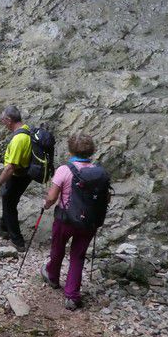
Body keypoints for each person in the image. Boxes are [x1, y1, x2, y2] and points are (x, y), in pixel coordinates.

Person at [41, 133, 110, 311]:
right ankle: (72, 296)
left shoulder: (64, 170)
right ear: (91, 151)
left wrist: (46, 204)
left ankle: (53, 276)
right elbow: (106, 198)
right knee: (77, 256)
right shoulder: (98, 172)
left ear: (71, 149)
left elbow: (52, 197)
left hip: (65, 219)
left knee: (57, 249)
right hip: (88, 222)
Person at [0, 105, 32, 251]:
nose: (2, 123)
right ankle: (4, 226)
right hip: (24, 174)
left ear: (8, 120)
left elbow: (10, 168)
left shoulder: (19, 139)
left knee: (10, 204)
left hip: (18, 175)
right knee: (7, 198)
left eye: (2, 120)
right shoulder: (26, 129)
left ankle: (17, 241)